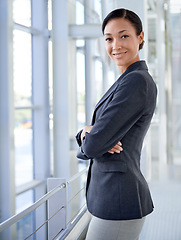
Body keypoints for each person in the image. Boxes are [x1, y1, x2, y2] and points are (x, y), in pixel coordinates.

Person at [75, 8, 157, 240]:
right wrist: (87, 132)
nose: (116, 45)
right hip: (111, 198)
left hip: (118, 201)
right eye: (109, 39)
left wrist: (94, 137)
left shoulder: (136, 82)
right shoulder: (126, 80)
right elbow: (96, 138)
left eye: (124, 36)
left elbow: (92, 146)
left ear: (140, 37)